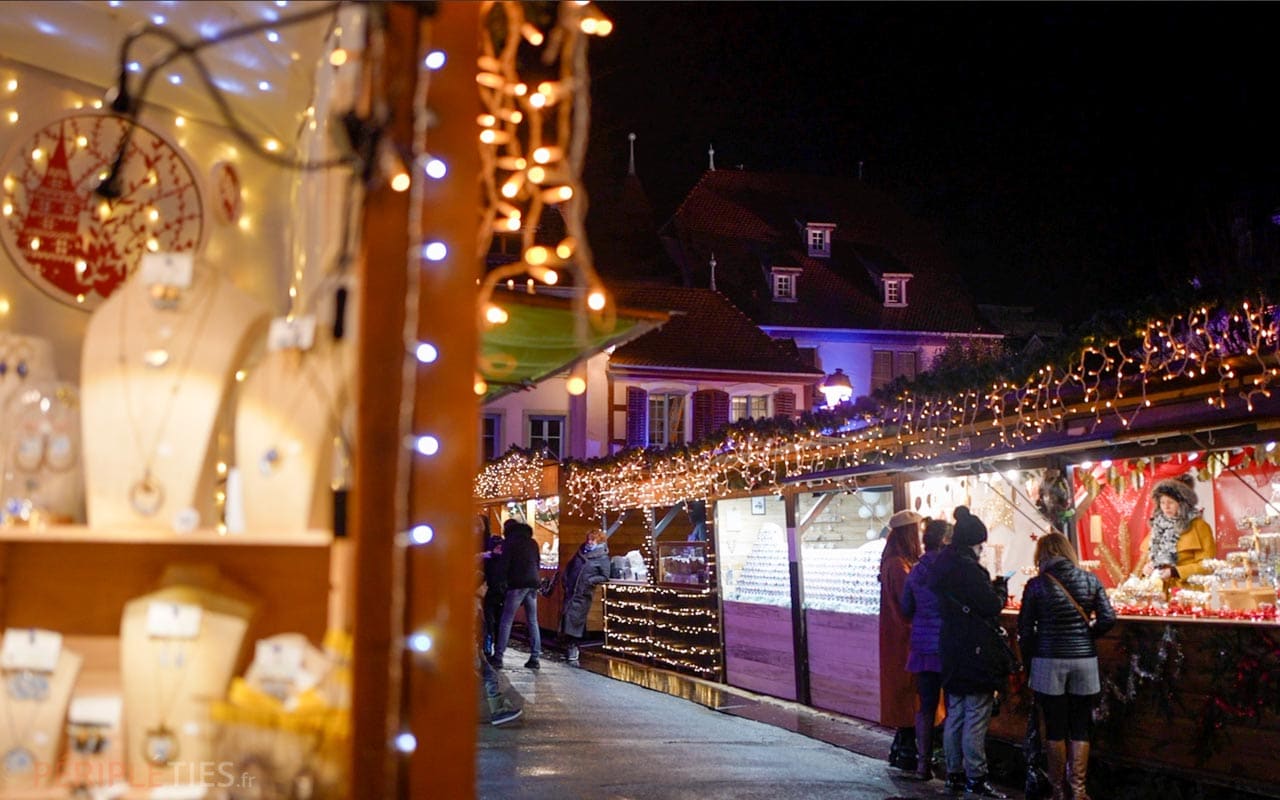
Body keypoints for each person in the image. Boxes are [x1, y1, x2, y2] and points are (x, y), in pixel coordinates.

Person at [1017, 532, 1116, 800]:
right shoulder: (1090, 579)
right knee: (1081, 724)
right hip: (1084, 661)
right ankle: (1079, 789)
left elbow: (1025, 630)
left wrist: (1030, 659)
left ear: (1042, 555)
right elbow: (1108, 618)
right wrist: (1085, 637)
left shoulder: (1036, 585)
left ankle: (1058, 790)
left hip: (1048, 660)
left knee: (1055, 725)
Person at [928, 506, 1009, 799]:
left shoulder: (942, 565)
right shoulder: (969, 570)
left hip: (951, 646)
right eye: (980, 545)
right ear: (973, 543)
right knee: (976, 713)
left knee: (956, 713)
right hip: (974, 650)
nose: (981, 550)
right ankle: (976, 776)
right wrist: (1000, 590)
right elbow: (990, 606)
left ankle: (954, 774)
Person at [901, 517, 951, 781]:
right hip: (949, 644)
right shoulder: (951, 569)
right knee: (954, 706)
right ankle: (955, 767)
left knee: (926, 706)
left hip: (922, 645)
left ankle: (923, 765)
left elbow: (906, 607)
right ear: (945, 541)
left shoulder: (916, 571)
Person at [880, 509, 924, 772]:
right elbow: (909, 602)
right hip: (904, 638)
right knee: (908, 694)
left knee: (905, 695)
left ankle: (901, 748)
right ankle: (906, 750)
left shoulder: (893, 562)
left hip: (898, 637)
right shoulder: (898, 565)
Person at [1136, 474, 1216, 589]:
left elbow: (1207, 565)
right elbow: (1148, 560)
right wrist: (1146, 569)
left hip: (1189, 594)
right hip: (1160, 594)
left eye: (1171, 502)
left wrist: (1175, 572)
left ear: (1182, 504)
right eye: (1162, 502)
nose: (1166, 507)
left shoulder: (1199, 526)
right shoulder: (1157, 528)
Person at [492, 520, 543, 670]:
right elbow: (537, 562)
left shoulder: (510, 543)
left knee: (506, 620)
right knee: (532, 620)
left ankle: (498, 656)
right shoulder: (532, 542)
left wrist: (499, 583)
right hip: (533, 584)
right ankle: (535, 657)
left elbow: (504, 565)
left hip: (517, 584)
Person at [560, 529, 611, 665]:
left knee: (575, 619)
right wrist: (565, 579)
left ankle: (573, 646)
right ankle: (570, 645)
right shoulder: (580, 552)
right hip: (571, 591)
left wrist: (589, 581)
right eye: (588, 539)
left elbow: (605, 576)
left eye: (592, 540)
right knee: (568, 617)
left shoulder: (602, 557)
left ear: (599, 541)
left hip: (583, 593)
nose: (589, 542)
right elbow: (570, 566)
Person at [481, 520, 506, 657]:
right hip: (496, 593)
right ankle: (492, 646)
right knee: (494, 622)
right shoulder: (499, 560)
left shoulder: (488, 559)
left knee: (493, 621)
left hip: (494, 593)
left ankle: (491, 645)